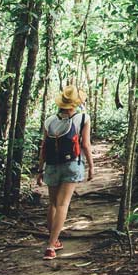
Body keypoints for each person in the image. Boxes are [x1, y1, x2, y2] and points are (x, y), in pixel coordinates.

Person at [35, 85, 93, 259]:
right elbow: (85, 145)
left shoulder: (49, 120)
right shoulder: (83, 118)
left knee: (53, 204)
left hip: (51, 165)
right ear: (76, 103)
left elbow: (44, 148)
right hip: (72, 164)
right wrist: (91, 166)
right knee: (63, 204)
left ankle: (54, 241)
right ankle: (51, 246)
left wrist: (40, 170)